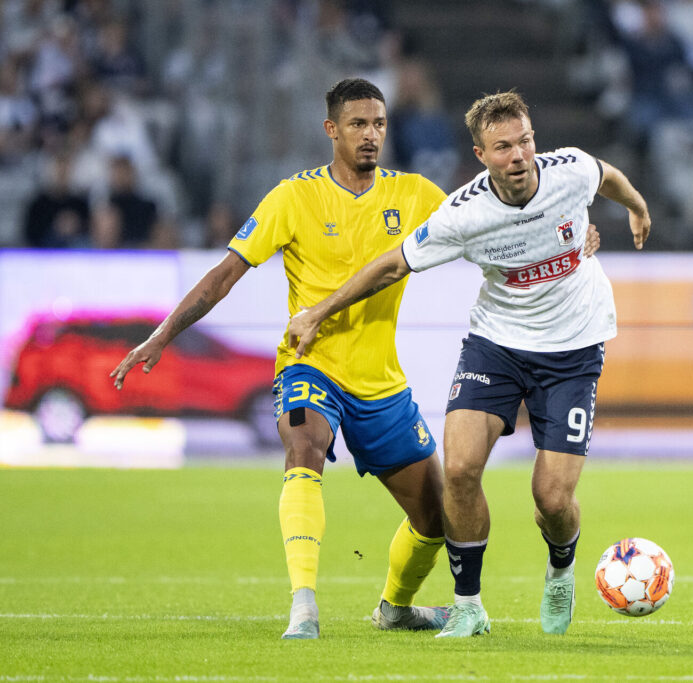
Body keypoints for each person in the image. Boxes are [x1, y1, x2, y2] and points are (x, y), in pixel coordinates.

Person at [286, 90, 650, 638]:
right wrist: (319, 311)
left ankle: (560, 568)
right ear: (481, 155)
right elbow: (391, 265)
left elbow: (607, 176)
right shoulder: (463, 213)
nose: (519, 155)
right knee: (457, 470)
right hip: (497, 344)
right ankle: (469, 605)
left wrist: (637, 207)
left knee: (552, 500)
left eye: (525, 141)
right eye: (503, 147)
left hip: (574, 347)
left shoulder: (569, 170)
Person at [109, 79, 456, 640]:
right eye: (358, 125)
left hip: (381, 383)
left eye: (379, 125)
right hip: (309, 364)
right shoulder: (293, 197)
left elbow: (485, 221)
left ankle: (395, 607)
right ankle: (304, 605)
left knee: (437, 519)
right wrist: (161, 335)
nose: (371, 136)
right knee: (303, 446)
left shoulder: (415, 193)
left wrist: (562, 238)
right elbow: (224, 276)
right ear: (331, 130)